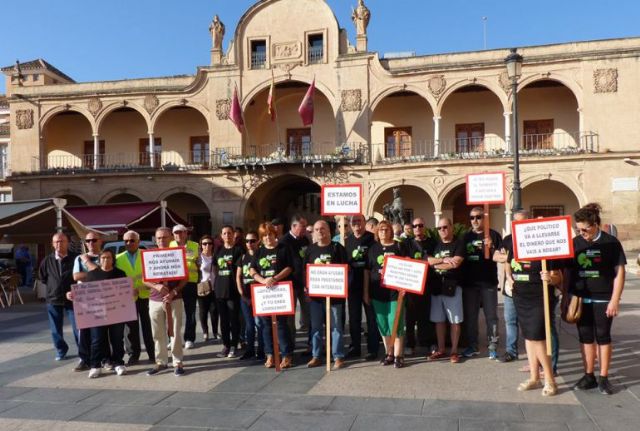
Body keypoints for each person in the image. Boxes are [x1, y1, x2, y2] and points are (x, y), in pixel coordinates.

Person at [570, 203, 626, 395]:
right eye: (579, 229)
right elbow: (564, 268)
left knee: (603, 336)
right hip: (581, 298)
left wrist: (615, 299)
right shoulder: (575, 243)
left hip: (603, 298)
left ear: (595, 224)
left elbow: (619, 273)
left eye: (585, 229)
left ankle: (603, 377)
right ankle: (589, 376)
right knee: (585, 337)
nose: (582, 233)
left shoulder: (611, 243)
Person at [505, 216, 561, 396]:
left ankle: (550, 380)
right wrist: (510, 279)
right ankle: (534, 378)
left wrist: (550, 278)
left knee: (538, 338)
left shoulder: (543, 246)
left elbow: (558, 277)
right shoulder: (514, 245)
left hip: (539, 297)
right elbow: (508, 263)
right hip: (521, 296)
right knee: (528, 337)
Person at [67, 249, 128, 378]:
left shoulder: (120, 273)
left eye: (109, 258)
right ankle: (95, 365)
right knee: (97, 340)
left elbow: (125, 292)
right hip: (97, 314)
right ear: (99, 260)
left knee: (117, 339)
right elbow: (85, 293)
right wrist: (72, 295)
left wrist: (131, 292)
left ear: (113, 260)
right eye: (103, 258)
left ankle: (118, 363)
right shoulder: (92, 275)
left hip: (116, 313)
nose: (106, 260)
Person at [304, 220, 349, 369]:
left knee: (336, 328)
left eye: (322, 229)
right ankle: (316, 356)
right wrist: (306, 288)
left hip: (334, 297)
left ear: (329, 231)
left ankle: (338, 357)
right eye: (316, 229)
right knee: (316, 328)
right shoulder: (310, 250)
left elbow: (346, 270)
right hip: (316, 298)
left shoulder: (338, 248)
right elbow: (305, 271)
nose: (319, 232)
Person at [364, 220, 408, 368]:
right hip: (377, 294)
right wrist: (366, 292)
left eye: (386, 229)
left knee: (395, 323)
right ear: (377, 232)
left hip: (395, 294)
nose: (383, 231)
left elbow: (407, 267)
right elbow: (367, 272)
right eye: (381, 229)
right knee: (383, 325)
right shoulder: (372, 249)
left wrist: (405, 287)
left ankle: (398, 355)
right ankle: (389, 353)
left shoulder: (398, 247)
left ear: (391, 231)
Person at [250, 222, 294, 368]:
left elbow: (289, 267)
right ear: (261, 238)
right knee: (266, 325)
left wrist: (275, 278)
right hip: (264, 293)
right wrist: (262, 280)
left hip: (280, 291)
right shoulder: (259, 252)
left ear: (275, 234)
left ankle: (286, 355)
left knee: (281, 324)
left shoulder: (283, 249)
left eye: (270, 234)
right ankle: (270, 355)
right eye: (264, 235)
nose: (268, 237)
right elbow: (252, 270)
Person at [461, 207, 503, 360]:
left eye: (478, 217)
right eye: (472, 217)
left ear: (484, 218)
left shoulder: (493, 235)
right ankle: (473, 346)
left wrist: (491, 246)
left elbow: (502, 256)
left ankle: (493, 346)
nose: (475, 220)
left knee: (491, 316)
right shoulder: (465, 237)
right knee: (471, 317)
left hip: (489, 283)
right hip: (470, 284)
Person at [146, 227, 187, 376]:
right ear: (155, 240)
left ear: (170, 238)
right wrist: (155, 285)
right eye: (159, 238)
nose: (162, 240)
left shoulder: (178, 254)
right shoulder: (149, 255)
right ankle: (161, 361)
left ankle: (178, 362)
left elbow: (184, 278)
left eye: (164, 237)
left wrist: (173, 292)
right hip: (155, 299)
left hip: (174, 298)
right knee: (157, 332)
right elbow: (145, 278)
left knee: (175, 331)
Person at [427, 218, 465, 363]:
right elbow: (428, 261)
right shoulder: (435, 244)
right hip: (436, 287)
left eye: (445, 227)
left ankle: (454, 351)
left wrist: (436, 265)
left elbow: (455, 264)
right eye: (439, 228)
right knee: (439, 320)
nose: (442, 230)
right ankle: (442, 349)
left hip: (452, 286)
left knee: (455, 320)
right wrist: (443, 260)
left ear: (451, 227)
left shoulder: (458, 243)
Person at [116, 230, 155, 365]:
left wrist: (141, 288)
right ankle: (133, 354)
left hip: (146, 296)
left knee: (148, 327)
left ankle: (153, 353)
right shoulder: (117, 258)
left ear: (138, 242)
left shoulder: (147, 255)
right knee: (130, 330)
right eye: (126, 241)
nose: (129, 243)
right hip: (128, 299)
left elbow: (154, 276)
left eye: (132, 240)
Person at [39, 232, 79, 361]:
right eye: (56, 241)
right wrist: (54, 287)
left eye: (62, 241)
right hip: (53, 299)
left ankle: (83, 352)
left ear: (68, 243)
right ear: (52, 244)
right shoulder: (47, 260)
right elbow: (43, 277)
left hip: (73, 298)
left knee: (78, 327)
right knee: (55, 329)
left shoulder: (76, 258)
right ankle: (61, 351)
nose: (59, 244)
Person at [345, 213, 378, 360]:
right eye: (354, 221)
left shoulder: (372, 239)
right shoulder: (346, 241)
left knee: (371, 318)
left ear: (364, 222)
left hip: (370, 284)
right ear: (351, 225)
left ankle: (372, 349)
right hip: (353, 285)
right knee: (354, 318)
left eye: (360, 220)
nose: (357, 223)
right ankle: (355, 347)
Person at [71, 232, 103, 372]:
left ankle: (103, 358)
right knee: (83, 331)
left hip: (103, 298)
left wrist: (90, 270)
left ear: (100, 241)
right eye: (88, 240)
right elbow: (76, 276)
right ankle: (84, 359)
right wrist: (97, 273)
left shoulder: (106, 256)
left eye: (94, 240)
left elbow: (106, 275)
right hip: (84, 299)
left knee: (102, 331)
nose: (91, 243)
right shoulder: (79, 258)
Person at [404, 217, 436, 355]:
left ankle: (427, 342)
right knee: (410, 317)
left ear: (424, 227)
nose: (417, 228)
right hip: (412, 286)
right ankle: (410, 344)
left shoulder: (432, 242)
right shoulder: (407, 244)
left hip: (428, 284)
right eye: (415, 226)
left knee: (426, 316)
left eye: (420, 225)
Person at [278, 214, 310, 345]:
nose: (305, 229)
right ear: (293, 226)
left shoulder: (305, 240)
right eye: (303, 226)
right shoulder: (284, 242)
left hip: (305, 283)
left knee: (308, 313)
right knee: (290, 318)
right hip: (290, 284)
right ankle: (290, 344)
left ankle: (310, 343)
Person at [213, 225, 244, 358]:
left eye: (229, 233)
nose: (227, 236)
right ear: (221, 235)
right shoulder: (218, 250)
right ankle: (226, 344)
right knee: (223, 320)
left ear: (233, 235)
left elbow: (239, 272)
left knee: (234, 319)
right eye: (225, 233)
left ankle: (234, 345)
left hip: (232, 291)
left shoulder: (238, 250)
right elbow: (215, 267)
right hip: (220, 290)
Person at [235, 230, 264, 360]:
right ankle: (250, 349)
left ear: (258, 241)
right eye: (247, 241)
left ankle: (262, 350)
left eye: (252, 241)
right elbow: (238, 277)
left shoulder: (261, 255)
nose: (249, 243)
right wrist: (242, 295)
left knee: (260, 324)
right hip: (246, 297)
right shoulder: (243, 257)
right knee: (249, 325)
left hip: (260, 295)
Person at [170, 224, 200, 350]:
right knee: (172, 313)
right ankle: (172, 338)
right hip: (173, 282)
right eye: (176, 233)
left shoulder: (195, 245)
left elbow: (200, 263)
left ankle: (189, 338)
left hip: (190, 282)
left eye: (181, 232)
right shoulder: (170, 245)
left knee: (190, 312)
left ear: (186, 233)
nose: (179, 235)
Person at [197, 235, 218, 342]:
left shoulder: (216, 256)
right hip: (203, 287)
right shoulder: (199, 258)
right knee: (203, 312)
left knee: (214, 311)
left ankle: (215, 332)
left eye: (209, 243)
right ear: (201, 245)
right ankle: (205, 332)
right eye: (204, 244)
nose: (207, 246)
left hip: (215, 287)